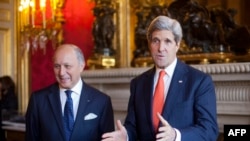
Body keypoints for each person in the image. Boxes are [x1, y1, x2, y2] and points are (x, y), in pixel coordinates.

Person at [102, 16, 218, 141]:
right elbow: (133, 127)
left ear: (177, 45)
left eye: (167, 41)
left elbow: (209, 129)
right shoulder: (138, 83)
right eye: (156, 41)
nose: (161, 48)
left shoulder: (199, 81)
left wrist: (175, 135)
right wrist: (126, 136)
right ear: (149, 44)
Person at [25, 44, 114, 141]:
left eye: (67, 66)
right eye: (57, 66)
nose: (61, 72)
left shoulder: (102, 101)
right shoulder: (38, 100)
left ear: (81, 66)